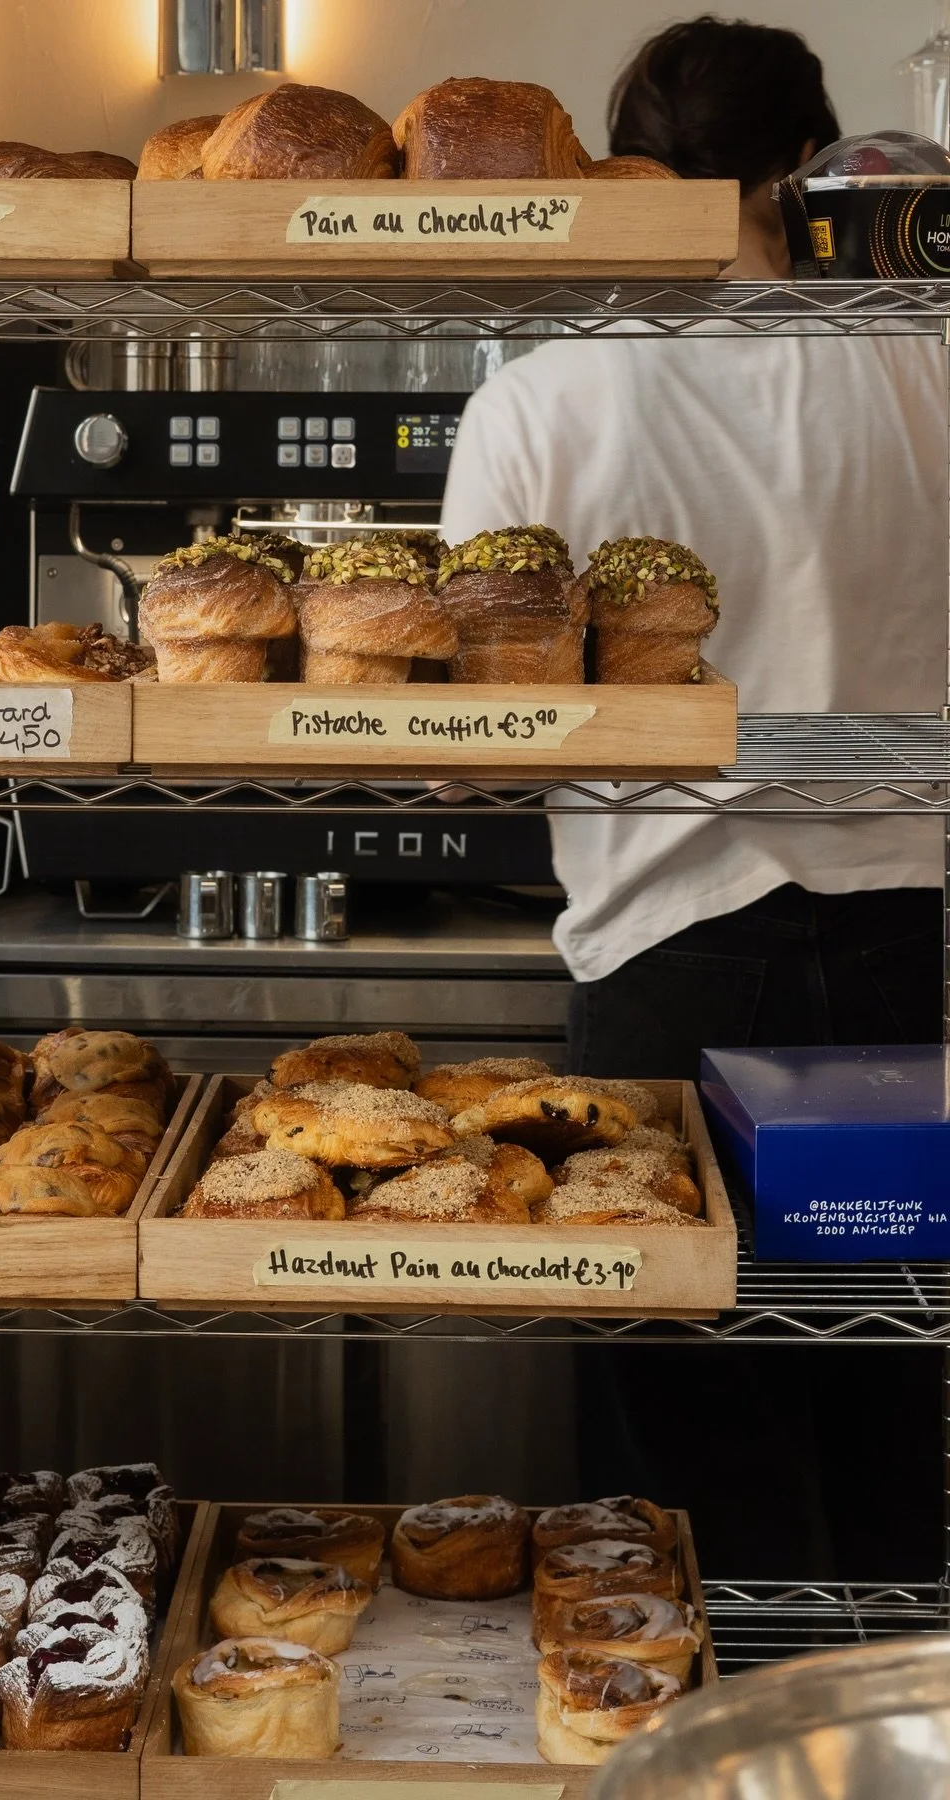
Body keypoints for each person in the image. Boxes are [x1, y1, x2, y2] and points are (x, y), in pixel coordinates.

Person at [440, 16, 947, 1579]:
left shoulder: (542, 399)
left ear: (622, 172)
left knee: (684, 1448)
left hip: (672, 951)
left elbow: (481, 716)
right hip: (914, 953)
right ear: (808, 163)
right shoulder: (927, 361)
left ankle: (704, 1754)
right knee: (898, 1423)